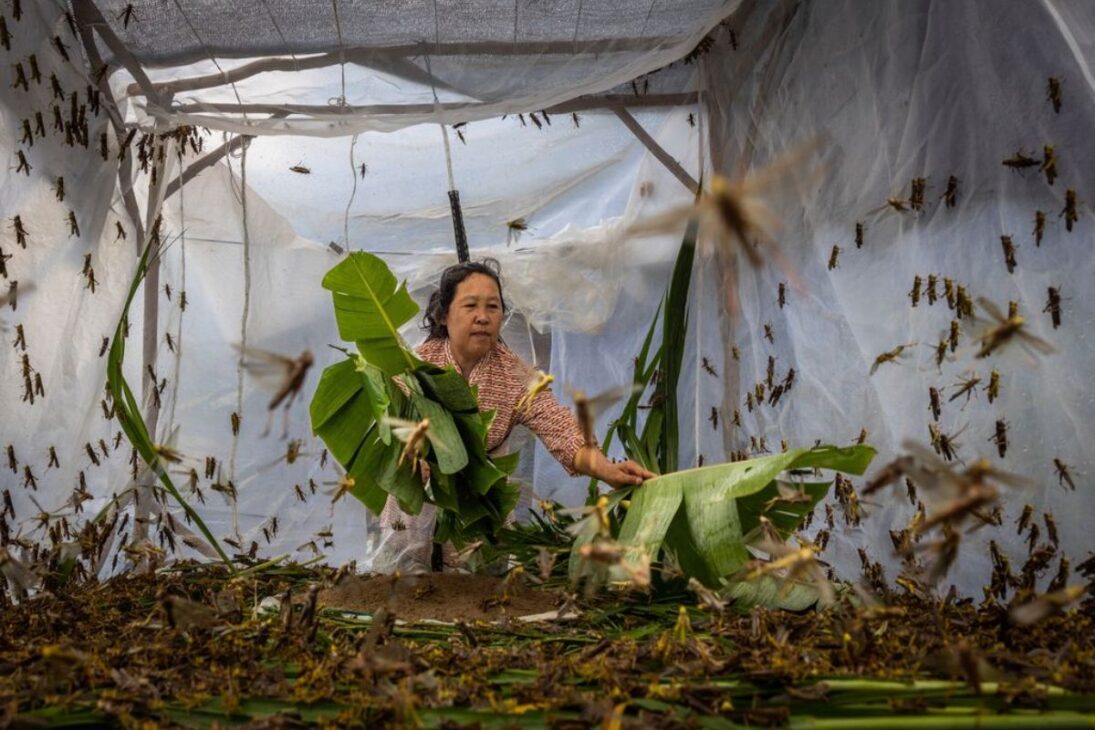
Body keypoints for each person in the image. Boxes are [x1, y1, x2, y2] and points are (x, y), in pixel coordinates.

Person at [374, 259, 655, 573]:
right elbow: (389, 429)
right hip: (412, 511)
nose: (483, 317)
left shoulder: (513, 374)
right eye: (470, 305)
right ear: (444, 314)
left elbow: (559, 428)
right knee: (400, 588)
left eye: (493, 307)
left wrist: (608, 470)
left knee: (477, 593)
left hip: (481, 515)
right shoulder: (414, 367)